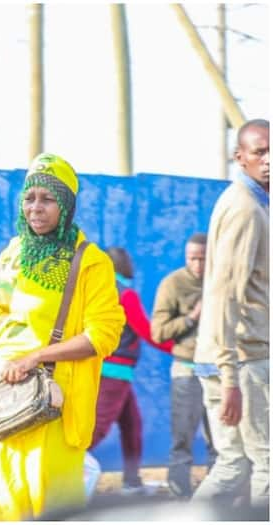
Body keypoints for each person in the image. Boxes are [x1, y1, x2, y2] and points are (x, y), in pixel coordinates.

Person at [0, 153, 125, 520]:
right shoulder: (13, 253)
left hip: (53, 405)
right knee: (1, 509)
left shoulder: (90, 261)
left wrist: (34, 357)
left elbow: (104, 334)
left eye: (48, 199)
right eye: (29, 198)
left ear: (66, 205)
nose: (36, 208)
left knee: (50, 510)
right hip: (6, 402)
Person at [192, 119, 269, 508]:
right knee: (265, 464)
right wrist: (230, 378)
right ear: (240, 158)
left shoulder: (252, 202)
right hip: (242, 361)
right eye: (259, 152)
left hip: (234, 357)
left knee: (235, 464)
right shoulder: (246, 208)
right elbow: (224, 295)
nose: (269, 160)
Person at [89, 247, 174, 494]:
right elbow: (147, 331)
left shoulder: (99, 292)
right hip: (116, 372)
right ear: (125, 266)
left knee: (132, 424)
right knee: (97, 429)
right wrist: (178, 349)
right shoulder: (125, 295)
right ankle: (63, 469)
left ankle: (132, 481)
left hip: (102, 369)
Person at [151, 232, 218, 498]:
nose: (198, 265)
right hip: (187, 369)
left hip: (219, 370)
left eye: (203, 259)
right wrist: (192, 317)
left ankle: (217, 500)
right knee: (182, 439)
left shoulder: (220, 280)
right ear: (185, 257)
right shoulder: (173, 284)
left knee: (221, 442)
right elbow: (158, 332)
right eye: (193, 259)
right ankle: (179, 499)